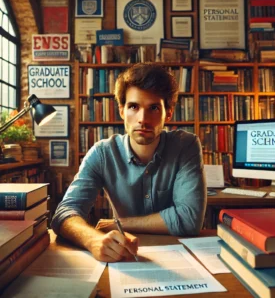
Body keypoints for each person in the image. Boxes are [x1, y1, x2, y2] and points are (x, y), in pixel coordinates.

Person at [51, 63, 207, 262]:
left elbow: (189, 220)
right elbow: (64, 213)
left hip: (180, 257)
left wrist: (120, 224)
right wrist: (93, 240)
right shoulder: (102, 153)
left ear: (168, 113)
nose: (143, 119)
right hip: (124, 257)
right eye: (134, 106)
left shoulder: (186, 146)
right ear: (122, 111)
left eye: (153, 108)